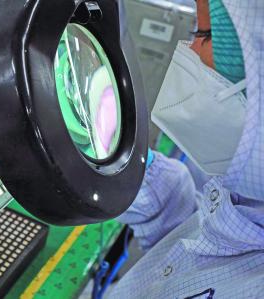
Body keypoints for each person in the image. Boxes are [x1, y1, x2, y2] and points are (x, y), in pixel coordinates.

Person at [105, 0, 264, 298]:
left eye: (206, 34)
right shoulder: (253, 197)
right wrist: (142, 174)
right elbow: (207, 257)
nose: (189, 51)